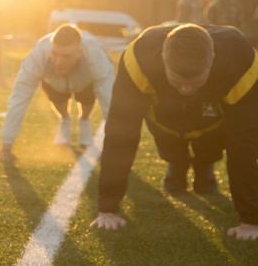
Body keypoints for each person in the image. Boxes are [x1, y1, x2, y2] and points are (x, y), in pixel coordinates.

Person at [91, 23, 258, 241]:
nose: (186, 89)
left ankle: (204, 165)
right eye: (179, 82)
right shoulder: (138, 59)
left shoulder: (240, 59)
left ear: (213, 60)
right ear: (162, 58)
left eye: (195, 82)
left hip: (214, 117)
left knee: (213, 146)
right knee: (170, 147)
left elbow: (244, 142)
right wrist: (107, 207)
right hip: (165, 116)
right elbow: (121, 134)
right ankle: (177, 164)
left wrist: (251, 220)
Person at [0, 24, 115, 161]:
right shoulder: (40, 53)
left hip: (85, 82)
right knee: (58, 96)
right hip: (54, 82)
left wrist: (114, 149)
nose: (59, 61)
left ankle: (84, 122)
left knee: (86, 98)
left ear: (79, 52)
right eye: (55, 54)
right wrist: (6, 147)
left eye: (66, 56)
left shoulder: (95, 54)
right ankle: (65, 120)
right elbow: (19, 98)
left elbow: (110, 103)